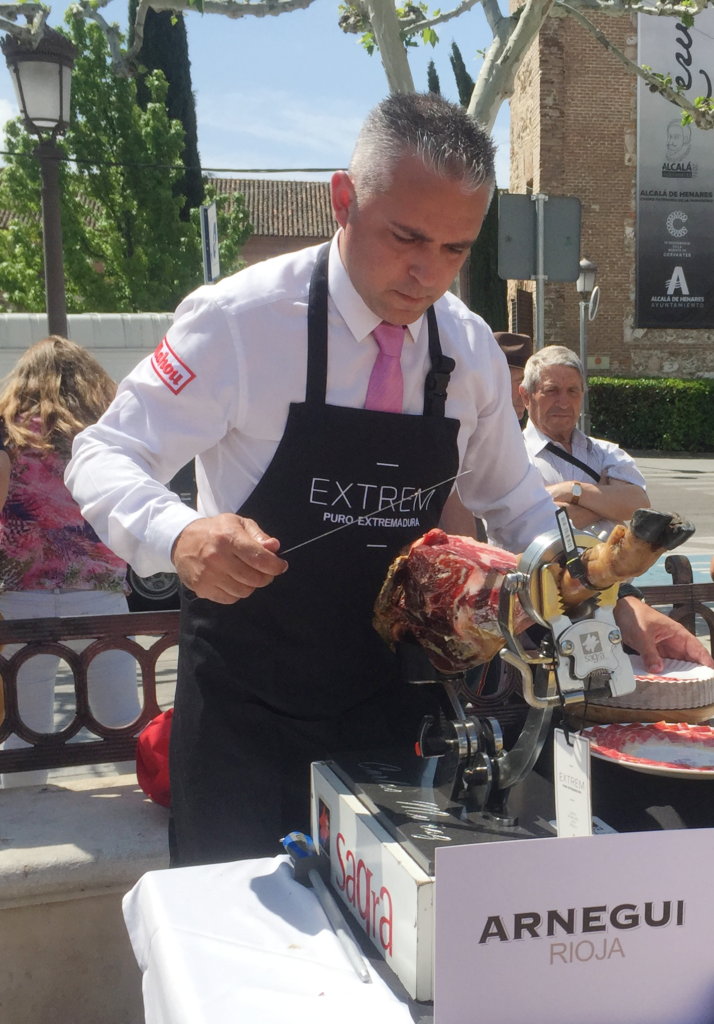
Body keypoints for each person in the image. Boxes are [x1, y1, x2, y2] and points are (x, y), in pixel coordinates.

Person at [66, 93, 710, 867]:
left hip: (392, 702)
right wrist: (180, 534)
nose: (426, 273)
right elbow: (103, 454)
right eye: (405, 237)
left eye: (454, 249)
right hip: (244, 709)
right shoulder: (240, 321)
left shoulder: (467, 350)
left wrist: (604, 595)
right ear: (343, 199)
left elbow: (518, 507)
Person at [0, 337, 141, 788]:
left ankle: (28, 806)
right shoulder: (106, 430)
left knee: (25, 727)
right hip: (100, 591)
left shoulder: (8, 433)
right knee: (120, 719)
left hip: (22, 594)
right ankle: (136, 798)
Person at [521, 345, 649, 538]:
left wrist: (572, 490)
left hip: (608, 559)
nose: (564, 402)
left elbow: (638, 505)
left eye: (572, 391)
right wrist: (605, 501)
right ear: (526, 396)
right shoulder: (513, 456)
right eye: (552, 390)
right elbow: (532, 524)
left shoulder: (606, 453)